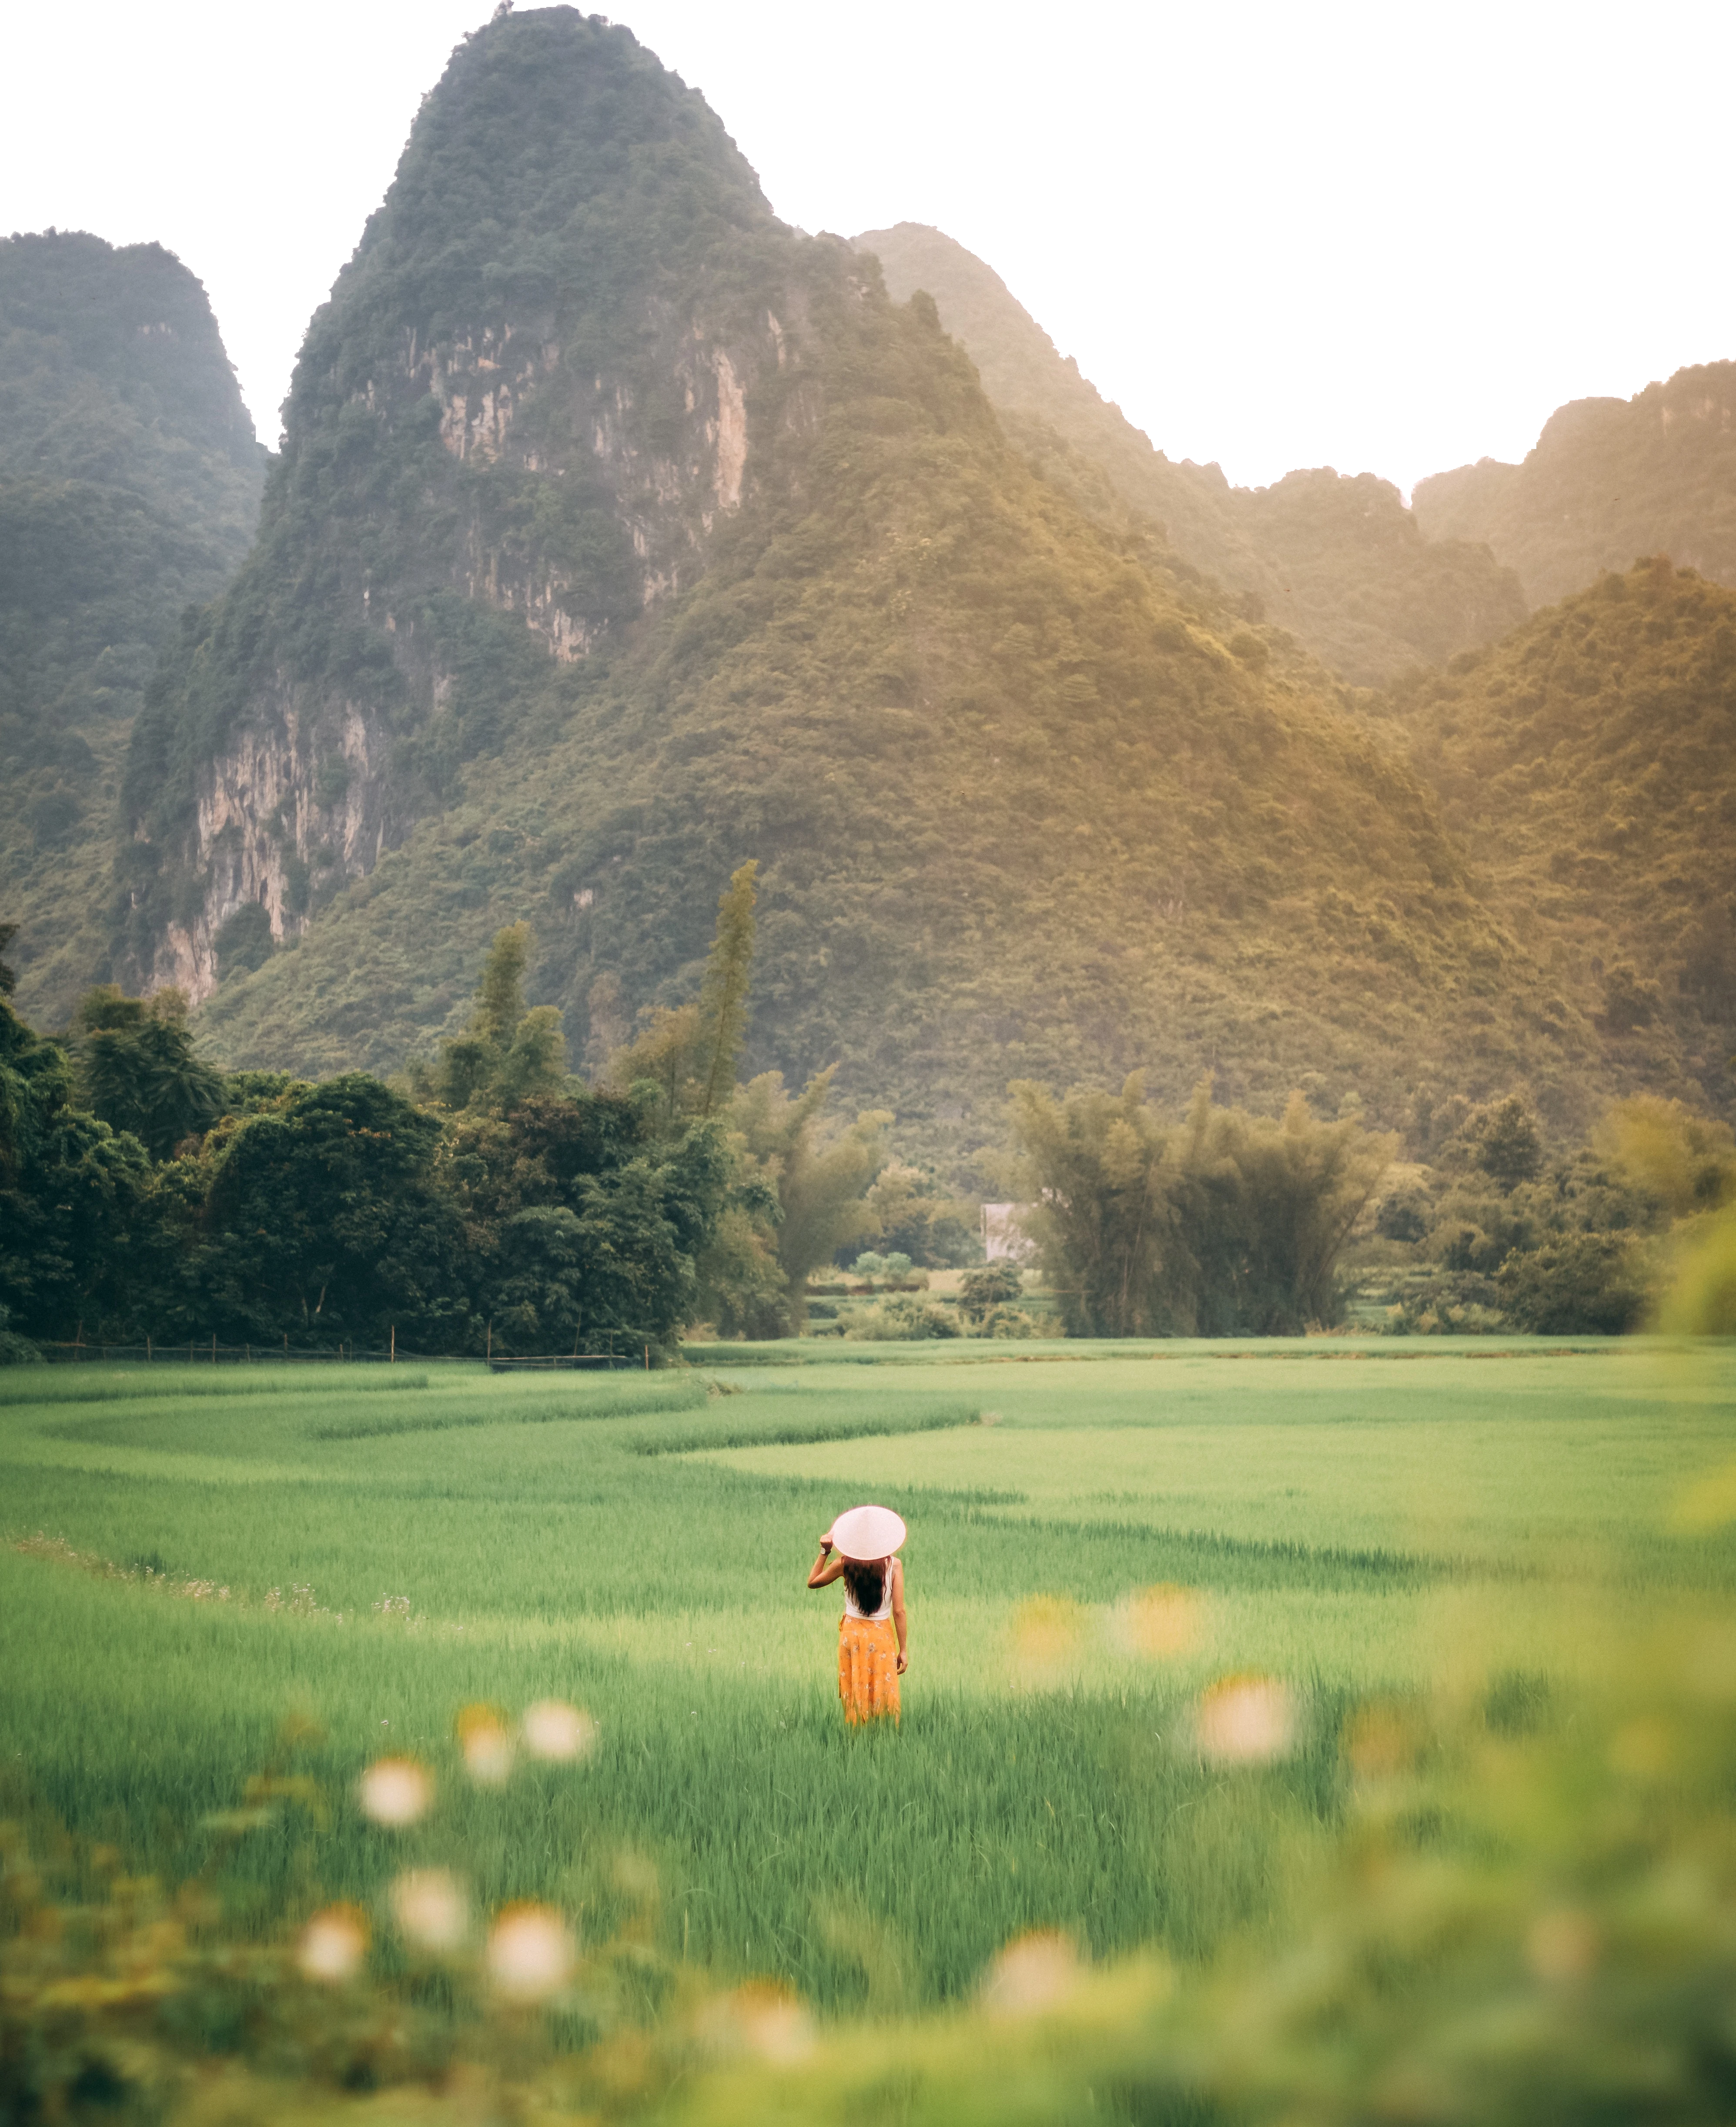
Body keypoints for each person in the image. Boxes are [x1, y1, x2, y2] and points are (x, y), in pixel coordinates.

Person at [807, 1504, 908, 1726]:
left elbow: (812, 1583)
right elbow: (899, 1611)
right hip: (881, 1637)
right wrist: (903, 1650)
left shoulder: (844, 1564)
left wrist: (824, 1551)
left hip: (852, 1636)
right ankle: (883, 1733)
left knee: (856, 1687)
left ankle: (856, 1732)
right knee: (882, 1687)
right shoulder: (894, 1565)